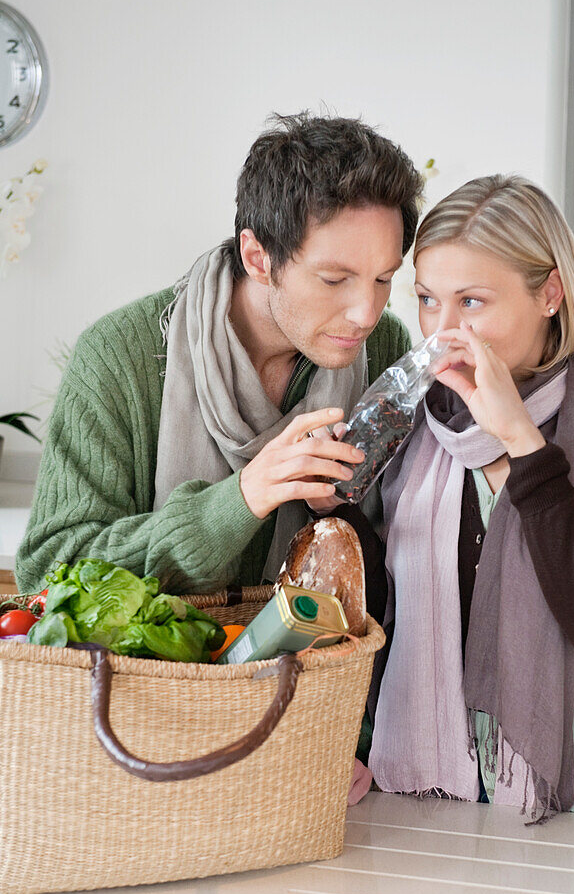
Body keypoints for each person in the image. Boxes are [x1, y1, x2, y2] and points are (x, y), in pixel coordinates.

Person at [361, 174, 574, 821]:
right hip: (428, 791)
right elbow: (382, 614)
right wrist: (334, 504)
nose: (443, 329)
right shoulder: (414, 421)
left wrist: (520, 439)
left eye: (473, 302)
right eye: (428, 299)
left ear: (550, 293)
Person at [16, 112, 423, 599]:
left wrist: (333, 509)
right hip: (160, 677)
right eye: (334, 279)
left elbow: (407, 558)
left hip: (326, 674)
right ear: (258, 258)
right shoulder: (120, 356)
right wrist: (238, 502)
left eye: (383, 278)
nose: (365, 313)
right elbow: (47, 572)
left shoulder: (385, 350)